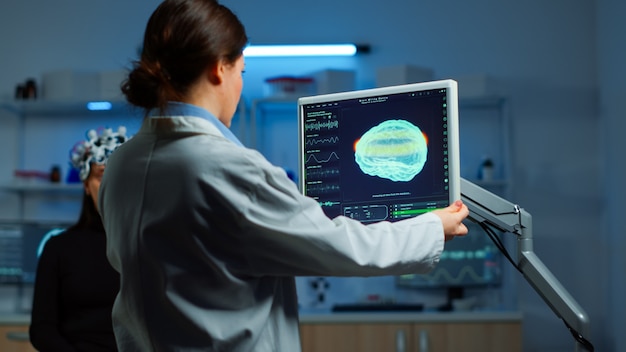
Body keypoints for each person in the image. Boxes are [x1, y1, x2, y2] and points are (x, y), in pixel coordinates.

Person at [98, 0, 469, 351]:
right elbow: (343, 248)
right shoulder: (228, 168)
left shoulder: (121, 164)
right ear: (218, 68)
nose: (240, 88)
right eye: (241, 72)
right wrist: (432, 227)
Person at [29, 127, 129, 352]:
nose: (110, 186)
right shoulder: (58, 249)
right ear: (86, 184)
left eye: (119, 176)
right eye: (102, 176)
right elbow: (42, 329)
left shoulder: (146, 245)